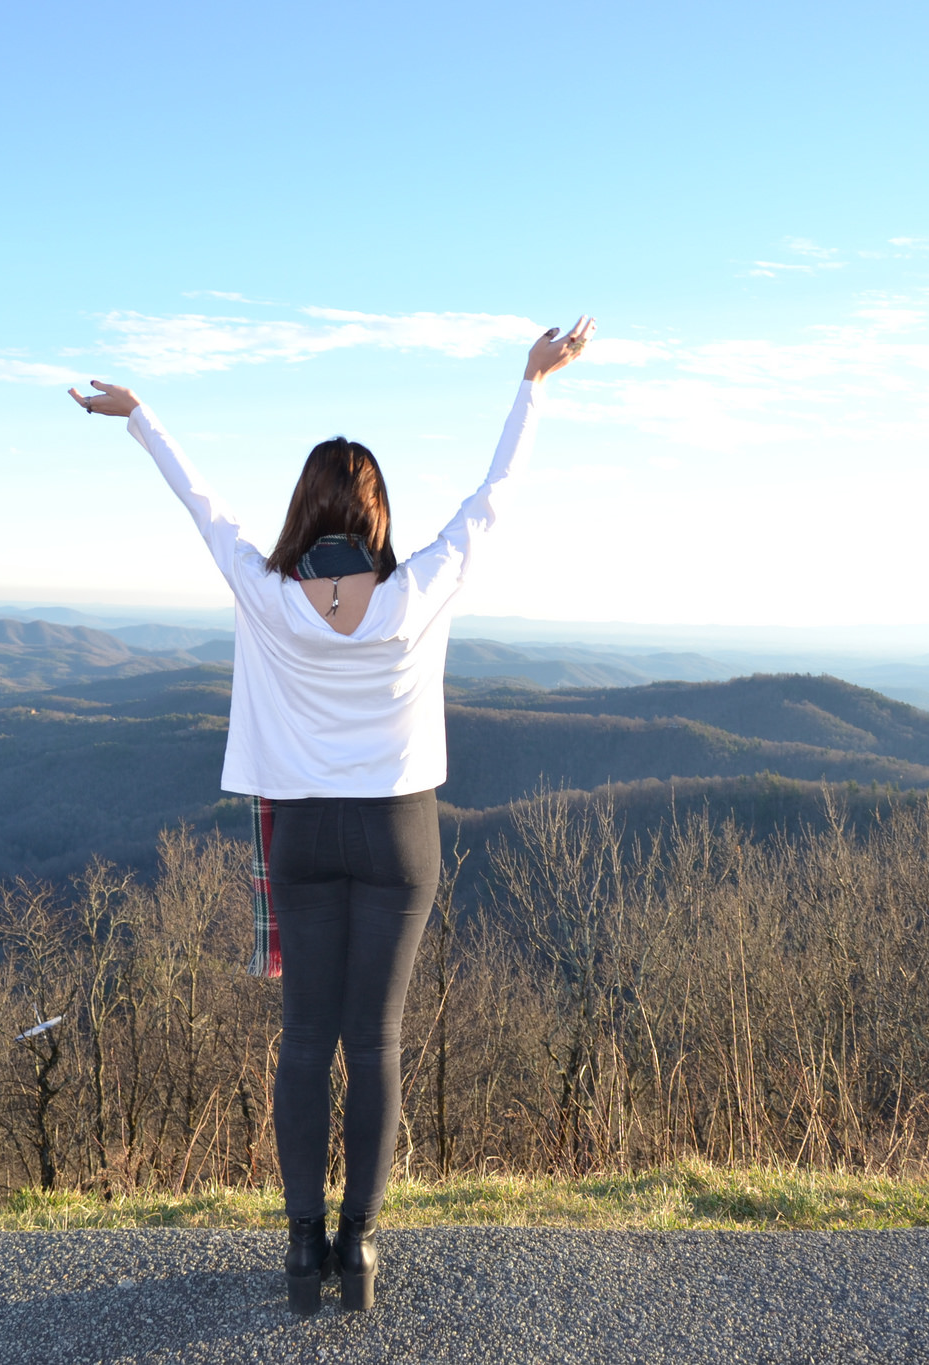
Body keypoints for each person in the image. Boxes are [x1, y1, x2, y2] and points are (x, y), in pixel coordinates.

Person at [70, 315, 595, 1315]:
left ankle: (300, 1251)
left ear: (303, 511)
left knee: (305, 1039)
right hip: (399, 833)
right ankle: (357, 1251)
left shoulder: (266, 595)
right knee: (377, 1041)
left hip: (303, 832)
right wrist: (533, 384)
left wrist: (141, 418)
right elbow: (492, 502)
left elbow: (204, 507)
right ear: (376, 513)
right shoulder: (413, 595)